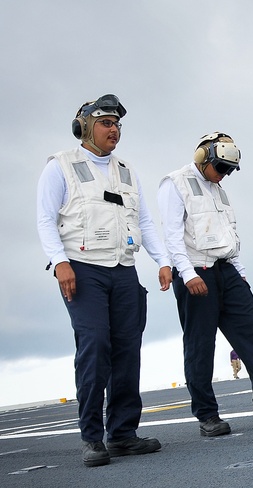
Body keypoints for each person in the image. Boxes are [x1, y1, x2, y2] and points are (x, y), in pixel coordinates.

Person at [36, 94, 171, 467]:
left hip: (124, 270)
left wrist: (162, 261)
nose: (114, 130)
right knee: (95, 346)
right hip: (82, 270)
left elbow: (143, 221)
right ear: (84, 127)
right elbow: (46, 219)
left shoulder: (127, 170)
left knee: (127, 351)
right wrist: (59, 262)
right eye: (106, 123)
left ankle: (124, 435)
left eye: (117, 125)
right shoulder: (60, 166)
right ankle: (92, 438)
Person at [160, 132, 253, 436]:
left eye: (229, 170)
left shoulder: (219, 190)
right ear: (203, 157)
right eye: (220, 168)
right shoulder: (175, 182)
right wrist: (187, 274)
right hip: (196, 270)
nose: (224, 175)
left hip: (227, 271)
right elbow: (172, 234)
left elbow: (230, 233)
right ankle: (207, 415)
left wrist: (240, 272)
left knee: (251, 332)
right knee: (200, 344)